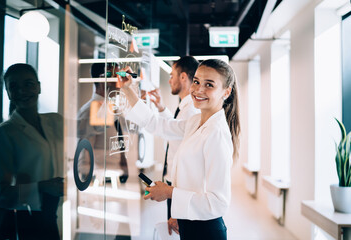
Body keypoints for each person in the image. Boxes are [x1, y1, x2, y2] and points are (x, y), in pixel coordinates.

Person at [120, 59, 240, 240]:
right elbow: (156, 124)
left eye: (209, 85)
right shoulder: (195, 122)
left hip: (206, 231)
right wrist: (128, 89)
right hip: (189, 222)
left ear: (226, 91)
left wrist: (169, 193)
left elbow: (218, 203)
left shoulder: (216, 134)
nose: (199, 89)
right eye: (197, 81)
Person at [0, 63, 64, 240]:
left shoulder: (55, 121)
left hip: (51, 215)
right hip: (25, 221)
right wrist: (42, 187)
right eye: (14, 87)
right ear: (8, 93)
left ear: (38, 87)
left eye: (28, 84)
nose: (22, 91)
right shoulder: (5, 132)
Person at [147, 56, 199, 235]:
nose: (169, 80)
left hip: (179, 188)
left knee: (179, 232)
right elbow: (175, 129)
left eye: (172, 75)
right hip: (176, 187)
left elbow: (165, 129)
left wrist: (131, 99)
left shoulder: (191, 109)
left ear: (183, 77)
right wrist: (161, 108)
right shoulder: (185, 107)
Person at [77, 62, 128, 184]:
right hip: (99, 178)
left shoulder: (108, 108)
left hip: (111, 174)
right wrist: (87, 176)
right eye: (115, 76)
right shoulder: (94, 109)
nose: (119, 82)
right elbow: (85, 147)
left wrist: (123, 163)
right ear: (102, 79)